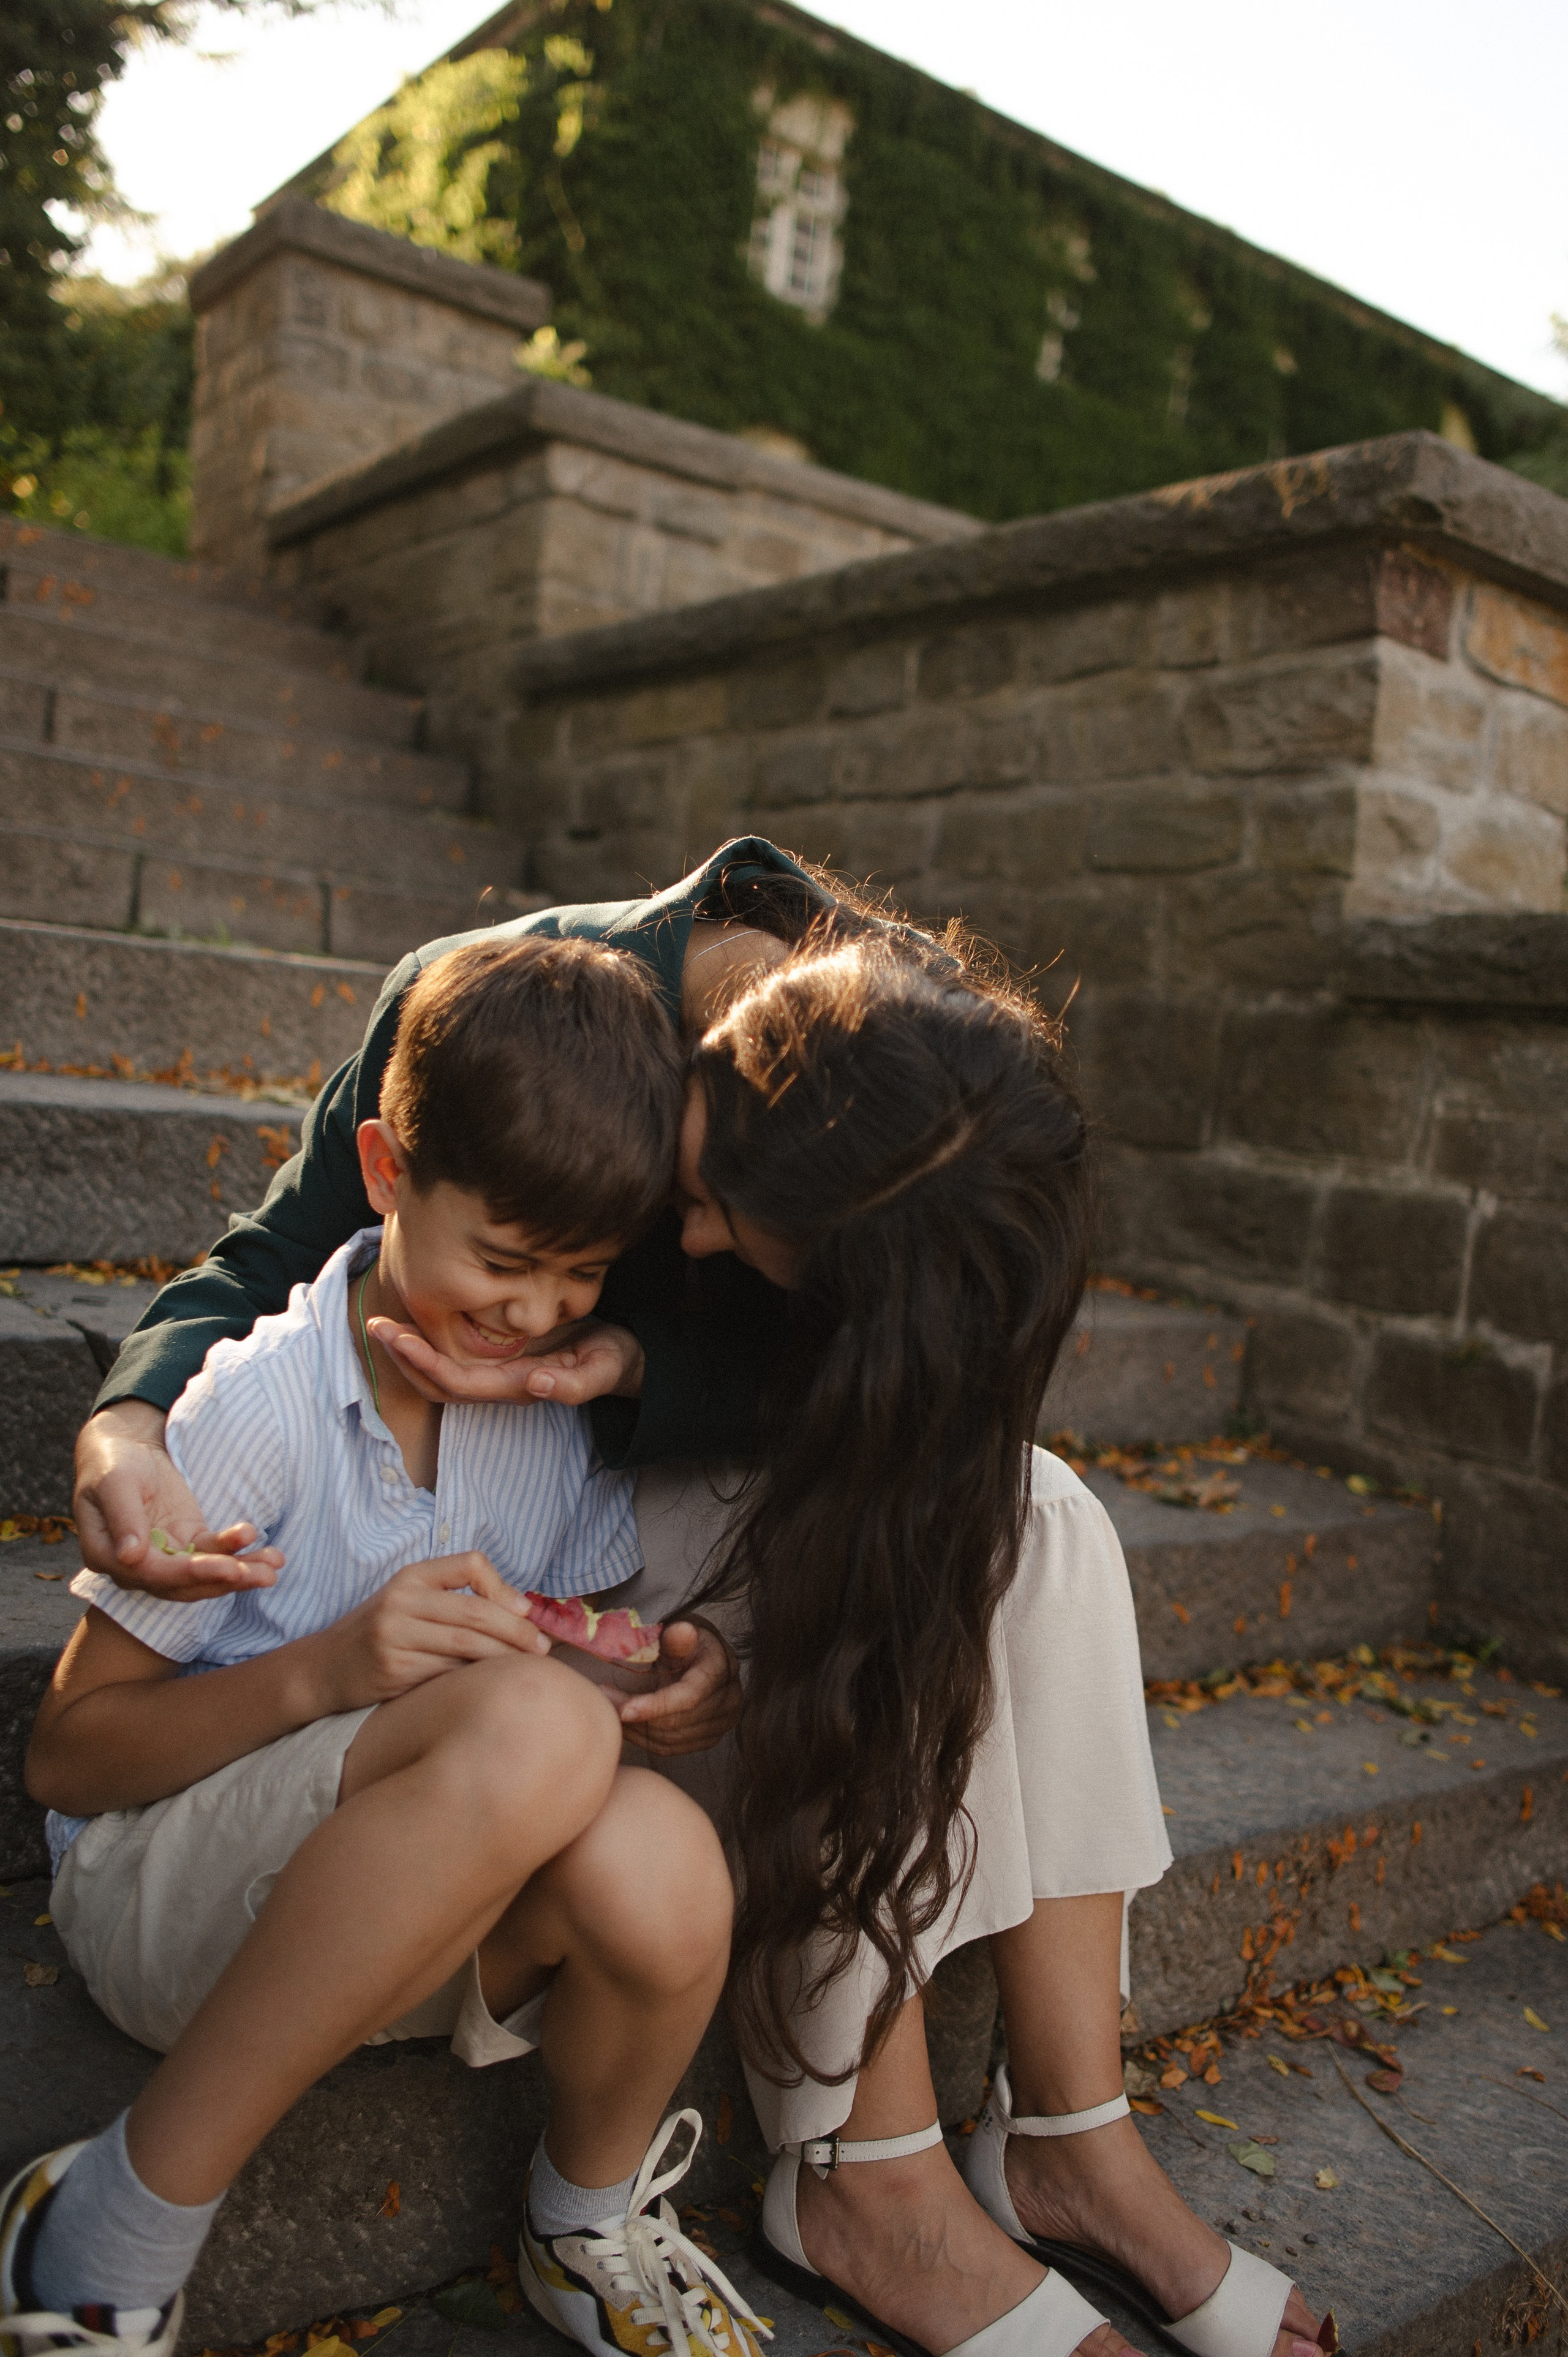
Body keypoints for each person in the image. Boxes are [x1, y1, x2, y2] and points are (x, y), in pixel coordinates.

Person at [71, 840, 1324, 2357]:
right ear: (718, 1071)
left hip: (569, 1479)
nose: (705, 1245)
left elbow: (882, 1393)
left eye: (739, 1248)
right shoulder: (498, 1033)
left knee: (1039, 1517)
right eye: (711, 1207)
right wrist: (128, 1427)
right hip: (469, 1541)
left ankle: (1073, 2132)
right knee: (656, 1677)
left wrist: (646, 1366)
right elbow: (276, 1266)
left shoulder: (911, 1084)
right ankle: (866, 2165)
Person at [4, 937, 762, 2357]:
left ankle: (583, 2219)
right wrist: (327, 1672)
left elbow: (553, 1698)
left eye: (584, 1274)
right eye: (501, 1261)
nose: (535, 1315)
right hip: (167, 1905)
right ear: (382, 1171)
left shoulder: (542, 1419)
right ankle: (112, 2214)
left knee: (665, 1862)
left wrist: (641, 1673)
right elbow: (65, 1752)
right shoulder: (258, 1406)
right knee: (538, 1731)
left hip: (408, 1907)